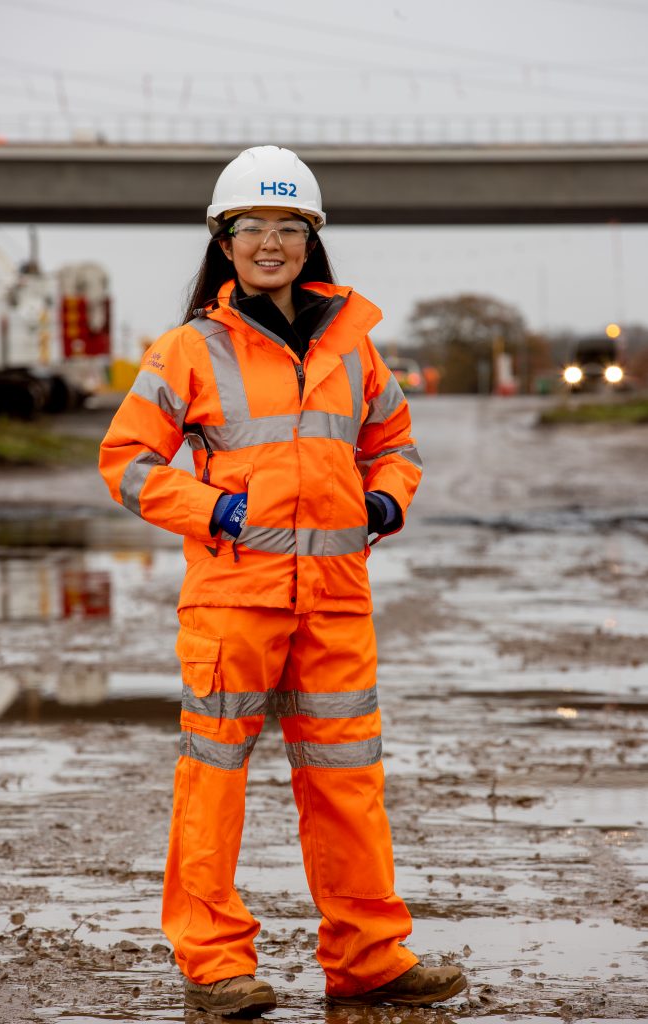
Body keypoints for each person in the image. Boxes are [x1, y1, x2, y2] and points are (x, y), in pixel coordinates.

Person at [99, 145, 467, 1017]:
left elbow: (394, 444)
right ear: (223, 242)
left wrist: (385, 500)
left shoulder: (352, 346)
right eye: (253, 227)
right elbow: (126, 462)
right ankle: (216, 965)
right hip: (234, 600)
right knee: (214, 782)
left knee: (347, 780)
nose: (271, 241)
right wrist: (214, 513)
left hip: (336, 600)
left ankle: (369, 956)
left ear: (313, 239)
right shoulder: (188, 348)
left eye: (289, 226)